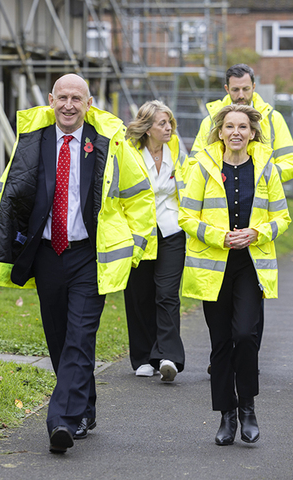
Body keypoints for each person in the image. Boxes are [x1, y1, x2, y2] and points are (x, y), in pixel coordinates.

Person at [0, 74, 156, 454]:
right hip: (46, 255)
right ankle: (84, 407)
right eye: (63, 98)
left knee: (79, 337)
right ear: (51, 100)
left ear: (89, 104)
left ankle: (62, 420)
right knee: (59, 340)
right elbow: (3, 200)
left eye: (77, 98)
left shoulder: (109, 143)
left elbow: (140, 197)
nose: (69, 105)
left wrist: (135, 247)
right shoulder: (33, 142)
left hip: (90, 254)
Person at [178, 104, 291, 446]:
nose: (237, 132)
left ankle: (248, 407)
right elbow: (185, 215)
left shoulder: (265, 168)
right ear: (221, 132)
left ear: (253, 132)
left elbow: (282, 217)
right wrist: (219, 236)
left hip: (250, 266)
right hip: (214, 266)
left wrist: (258, 233)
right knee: (221, 343)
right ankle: (226, 415)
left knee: (245, 335)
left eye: (243, 126)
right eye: (230, 126)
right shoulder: (202, 166)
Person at [191, 64, 293, 367]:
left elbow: (291, 160)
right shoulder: (212, 120)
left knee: (250, 313)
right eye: (235, 90)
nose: (241, 95)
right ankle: (223, 359)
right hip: (218, 227)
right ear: (227, 90)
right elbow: (196, 162)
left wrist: (262, 175)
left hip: (258, 213)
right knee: (221, 311)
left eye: (246, 89)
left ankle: (247, 358)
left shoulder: (273, 119)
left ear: (254, 87)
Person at [123, 101, 189, 381]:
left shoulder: (177, 151)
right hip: (138, 232)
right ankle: (142, 357)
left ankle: (168, 357)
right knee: (139, 295)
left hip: (172, 230)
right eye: (163, 124)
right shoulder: (128, 153)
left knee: (167, 294)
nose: (169, 128)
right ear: (147, 127)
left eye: (170, 123)